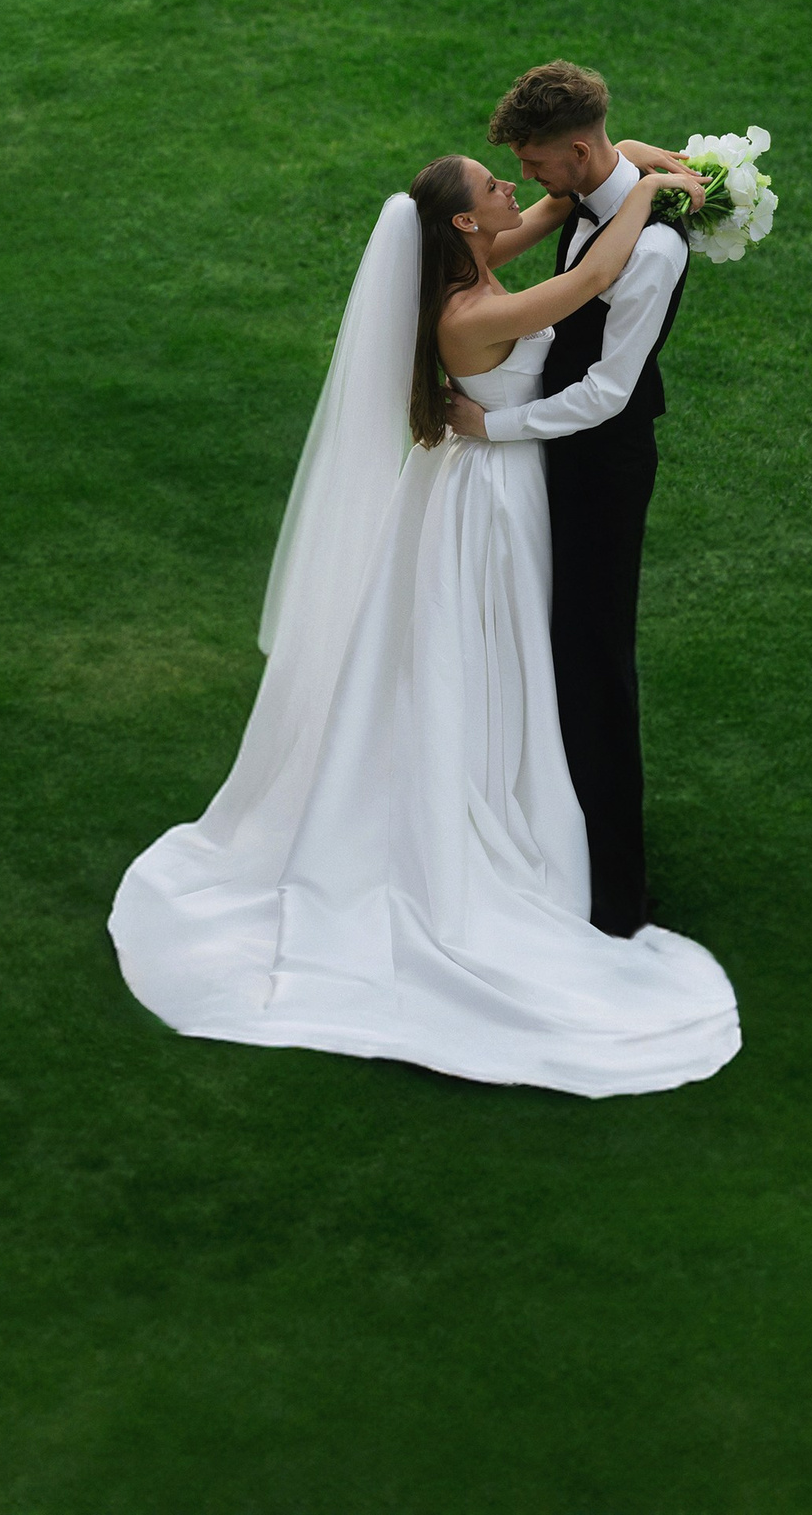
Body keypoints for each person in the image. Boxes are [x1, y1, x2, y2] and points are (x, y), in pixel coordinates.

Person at [107, 126, 738, 1097]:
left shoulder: (471, 262)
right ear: (463, 223)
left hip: (480, 481)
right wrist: (651, 199)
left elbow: (560, 204)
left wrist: (632, 161)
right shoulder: (472, 312)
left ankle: (500, 777)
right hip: (493, 497)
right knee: (487, 648)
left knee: (489, 652)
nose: (511, 189)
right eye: (492, 185)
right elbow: (585, 282)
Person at [442, 61, 688, 940]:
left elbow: (607, 394)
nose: (526, 179)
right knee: (546, 653)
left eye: (535, 161)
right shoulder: (583, 203)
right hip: (547, 464)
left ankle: (615, 893)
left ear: (578, 151)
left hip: (599, 470)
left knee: (593, 663)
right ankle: (546, 829)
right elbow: (576, 258)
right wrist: (642, 173)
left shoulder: (651, 247)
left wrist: (493, 427)